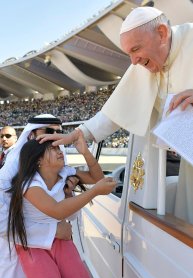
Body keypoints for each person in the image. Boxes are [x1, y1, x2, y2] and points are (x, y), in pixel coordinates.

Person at [38, 7, 193, 224]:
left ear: (161, 33)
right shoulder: (141, 63)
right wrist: (79, 133)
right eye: (128, 53)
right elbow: (115, 112)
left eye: (136, 49)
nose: (133, 62)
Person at [7, 130, 116, 278]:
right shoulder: (29, 185)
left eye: (59, 148)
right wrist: (94, 192)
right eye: (52, 149)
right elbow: (58, 210)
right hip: (33, 245)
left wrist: (85, 152)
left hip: (60, 239)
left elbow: (97, 177)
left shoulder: (64, 172)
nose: (60, 151)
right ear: (38, 160)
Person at [0, 114, 78, 278]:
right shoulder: (9, 172)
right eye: (49, 131)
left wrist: (68, 195)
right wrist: (52, 231)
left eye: (59, 133)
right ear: (31, 135)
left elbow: (68, 215)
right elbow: (2, 223)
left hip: (57, 252)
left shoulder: (56, 164)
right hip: (17, 254)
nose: (55, 137)